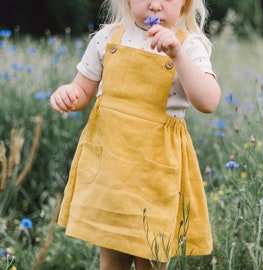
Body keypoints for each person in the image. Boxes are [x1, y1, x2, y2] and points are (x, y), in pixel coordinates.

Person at [50, 0, 221, 269]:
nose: (155, 5)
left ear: (186, 3)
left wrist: (177, 55)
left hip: (156, 172)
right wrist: (68, 94)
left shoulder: (187, 46)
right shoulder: (107, 38)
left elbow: (208, 102)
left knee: (150, 256)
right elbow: (82, 91)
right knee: (112, 253)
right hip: (112, 169)